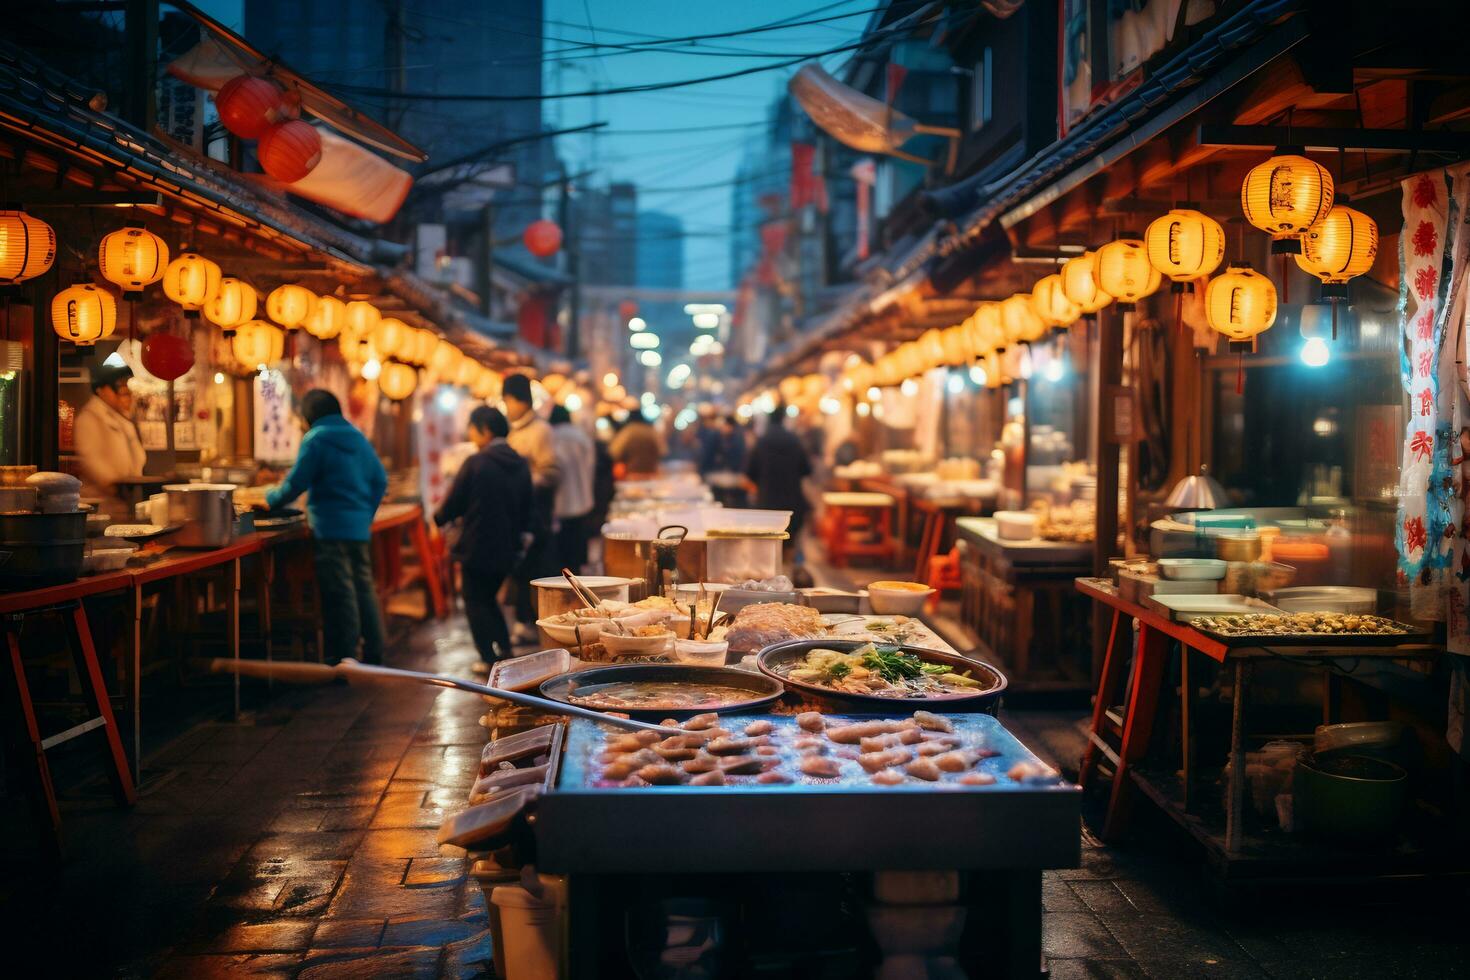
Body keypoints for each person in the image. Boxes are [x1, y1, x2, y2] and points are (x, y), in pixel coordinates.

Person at [266, 389, 388, 664]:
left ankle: (345, 657)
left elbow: (296, 483)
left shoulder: (316, 439)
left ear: (310, 414)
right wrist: (364, 515)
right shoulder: (358, 438)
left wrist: (269, 499)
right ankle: (374, 651)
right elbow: (380, 480)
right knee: (363, 586)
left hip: (330, 527)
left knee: (340, 590)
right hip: (358, 528)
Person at [434, 406, 532, 668]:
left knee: (475, 600)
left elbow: (453, 503)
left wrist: (438, 518)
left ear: (485, 430)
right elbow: (528, 507)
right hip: (509, 547)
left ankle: (489, 657)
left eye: (473, 429)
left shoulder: (477, 462)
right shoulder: (520, 463)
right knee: (488, 599)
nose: (471, 435)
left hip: (477, 546)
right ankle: (504, 650)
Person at [503, 373, 561, 644]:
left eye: (508, 400)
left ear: (518, 400)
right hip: (515, 515)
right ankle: (524, 623)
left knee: (534, 571)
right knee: (519, 569)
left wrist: (522, 483)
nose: (506, 406)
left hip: (535, 514)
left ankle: (535, 625)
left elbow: (551, 472)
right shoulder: (513, 430)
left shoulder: (541, 430)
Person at [74, 363, 147, 521]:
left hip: (126, 497)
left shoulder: (121, 417)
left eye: (125, 386)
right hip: (103, 503)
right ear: (101, 391)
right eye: (118, 386)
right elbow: (91, 459)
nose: (124, 392)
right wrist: (114, 486)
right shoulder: (89, 418)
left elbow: (136, 454)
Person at [745, 405, 812, 549]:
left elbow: (750, 472)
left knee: (767, 548)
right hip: (792, 502)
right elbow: (806, 470)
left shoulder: (762, 442)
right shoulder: (794, 441)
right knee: (789, 545)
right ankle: (787, 569)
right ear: (783, 419)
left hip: (767, 503)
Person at [549, 405, 596, 574]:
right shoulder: (581, 436)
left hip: (560, 501)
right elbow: (591, 465)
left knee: (562, 549)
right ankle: (578, 574)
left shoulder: (552, 436)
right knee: (577, 543)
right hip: (583, 498)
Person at [609, 408, 663, 477]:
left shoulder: (629, 431)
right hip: (651, 475)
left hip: (632, 475)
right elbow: (662, 451)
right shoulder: (651, 431)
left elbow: (614, 452)